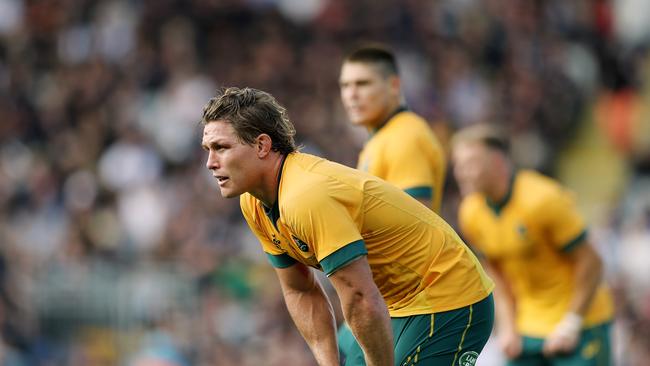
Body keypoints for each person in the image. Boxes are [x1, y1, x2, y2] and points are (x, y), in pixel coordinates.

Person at [200, 87, 495, 366]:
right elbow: (300, 290)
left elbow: (359, 296)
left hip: (445, 294)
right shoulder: (253, 203)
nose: (210, 162)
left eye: (221, 147)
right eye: (207, 149)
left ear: (262, 145)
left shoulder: (306, 196)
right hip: (390, 303)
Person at [451, 124, 614, 366]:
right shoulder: (470, 212)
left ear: (498, 162)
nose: (461, 173)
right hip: (529, 326)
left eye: (470, 163)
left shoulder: (543, 199)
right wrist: (508, 325)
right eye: (457, 164)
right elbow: (495, 271)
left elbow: (592, 262)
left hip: (582, 322)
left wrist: (571, 324)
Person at [339, 45, 446, 212]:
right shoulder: (381, 138)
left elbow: (415, 222)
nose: (351, 94)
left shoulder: (405, 136)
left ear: (394, 86)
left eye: (363, 84)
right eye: (345, 86)